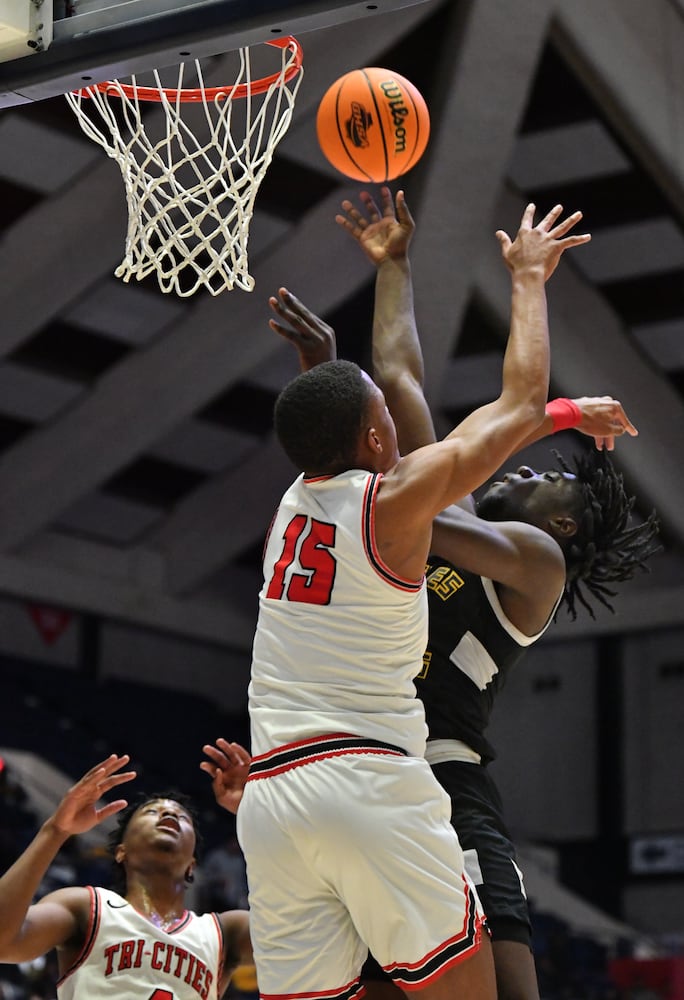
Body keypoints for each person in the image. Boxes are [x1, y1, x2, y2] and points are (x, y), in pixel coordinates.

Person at [236, 199, 592, 1000]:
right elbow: (516, 400)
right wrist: (530, 280)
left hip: (274, 801)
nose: (394, 422)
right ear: (372, 440)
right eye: (379, 420)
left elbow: (374, 393)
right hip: (371, 781)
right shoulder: (398, 505)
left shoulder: (296, 501)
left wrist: (374, 296)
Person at [326, 187, 659, 1000]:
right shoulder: (462, 509)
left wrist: (532, 296)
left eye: (556, 486)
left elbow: (433, 503)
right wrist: (394, 266)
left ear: (567, 530)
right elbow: (401, 374)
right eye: (545, 463)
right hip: (369, 780)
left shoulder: (534, 565)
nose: (538, 475)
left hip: (446, 782)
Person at [0, 753, 252, 1000]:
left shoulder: (226, 932)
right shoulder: (87, 908)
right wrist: (55, 830)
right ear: (122, 852)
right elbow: (4, 943)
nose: (169, 815)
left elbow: (292, 934)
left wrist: (258, 816)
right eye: (151, 812)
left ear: (192, 865)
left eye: (182, 817)